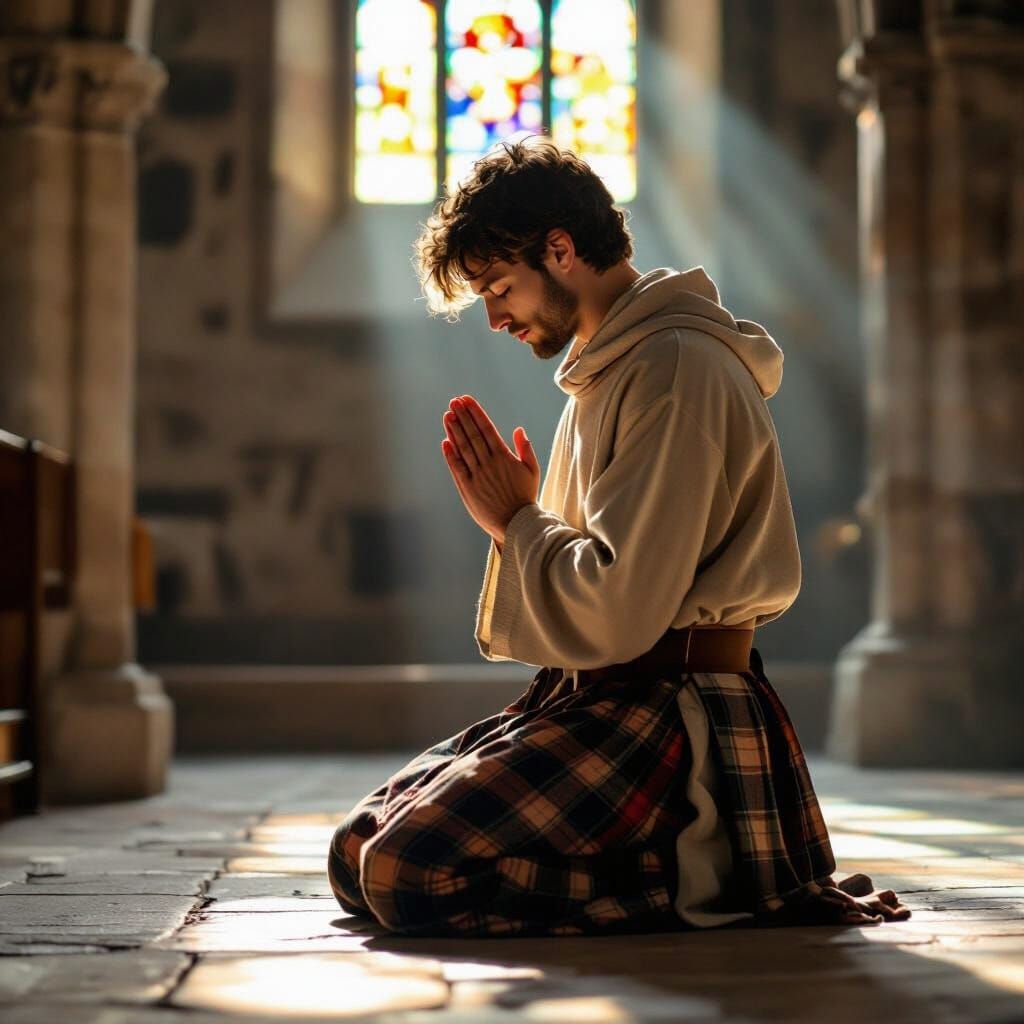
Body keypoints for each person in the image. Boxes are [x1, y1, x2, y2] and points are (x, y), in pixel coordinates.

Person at [326, 136, 910, 936]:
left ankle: (701, 873)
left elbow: (623, 608)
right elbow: (594, 589)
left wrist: (518, 521)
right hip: (601, 696)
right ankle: (690, 871)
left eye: (500, 287)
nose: (494, 317)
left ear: (560, 250)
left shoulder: (674, 368)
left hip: (674, 715)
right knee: (354, 853)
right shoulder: (606, 375)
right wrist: (522, 522)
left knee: (406, 872)